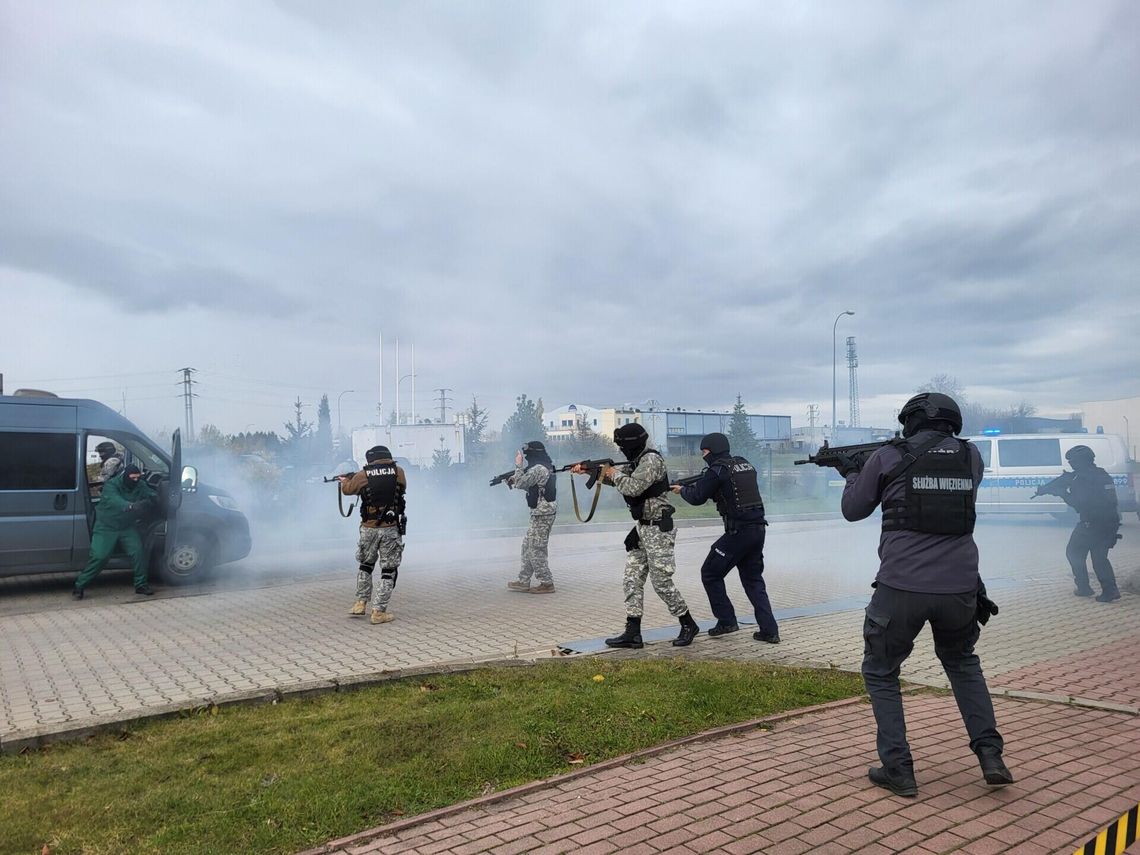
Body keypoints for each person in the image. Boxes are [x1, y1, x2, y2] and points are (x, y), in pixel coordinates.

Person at [840, 392, 1012, 797]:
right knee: (963, 664)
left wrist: (852, 473)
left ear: (913, 420)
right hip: (961, 588)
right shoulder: (971, 457)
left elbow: (853, 509)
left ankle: (898, 768)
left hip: (901, 587)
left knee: (881, 672)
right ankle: (991, 755)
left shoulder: (886, 456)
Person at [577, 423, 699, 648]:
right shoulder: (638, 461)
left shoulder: (650, 461)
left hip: (658, 529)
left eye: (623, 445)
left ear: (632, 444)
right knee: (631, 579)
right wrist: (593, 472)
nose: (621, 450)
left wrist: (612, 472)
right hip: (643, 529)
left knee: (661, 582)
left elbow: (632, 487)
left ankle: (688, 623)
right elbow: (622, 479)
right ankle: (633, 633)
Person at [671, 432, 779, 642]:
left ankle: (727, 621)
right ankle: (769, 630)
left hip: (738, 533)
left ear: (712, 449)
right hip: (758, 530)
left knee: (710, 573)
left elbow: (697, 497)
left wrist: (682, 490)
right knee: (753, 580)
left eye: (704, 451)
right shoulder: (744, 465)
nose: (703, 455)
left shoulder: (717, 470)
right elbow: (727, 490)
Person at [339, 445, 407, 625]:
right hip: (390, 528)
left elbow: (348, 490)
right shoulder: (399, 471)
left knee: (366, 565)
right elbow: (401, 488)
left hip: (368, 528)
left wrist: (345, 481)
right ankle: (378, 611)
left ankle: (360, 603)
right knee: (388, 569)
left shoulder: (362, 475)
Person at [73, 464, 158, 598]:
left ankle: (141, 585)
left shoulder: (140, 484)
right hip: (106, 527)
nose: (135, 480)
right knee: (100, 557)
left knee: (138, 552)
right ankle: (80, 585)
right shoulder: (111, 485)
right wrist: (130, 506)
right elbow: (114, 500)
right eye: (133, 478)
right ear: (125, 476)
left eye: (138, 477)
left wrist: (159, 498)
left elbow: (150, 493)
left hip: (126, 526)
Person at [1058, 445, 1122, 602]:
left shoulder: (1082, 479)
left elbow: (1079, 505)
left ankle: (1084, 587)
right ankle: (1109, 590)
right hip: (1108, 522)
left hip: (1091, 524)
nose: (1071, 464)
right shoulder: (1102, 474)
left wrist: (1062, 494)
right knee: (1099, 558)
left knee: (1073, 552)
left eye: (1073, 461)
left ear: (1081, 461)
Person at [506, 441, 558, 594]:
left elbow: (522, 482)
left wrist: (518, 466)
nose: (527, 458)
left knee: (536, 548)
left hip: (543, 512)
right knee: (527, 545)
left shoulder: (538, 468)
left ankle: (547, 583)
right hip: (540, 512)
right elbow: (532, 485)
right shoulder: (543, 466)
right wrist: (513, 479)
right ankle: (523, 581)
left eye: (528, 455)